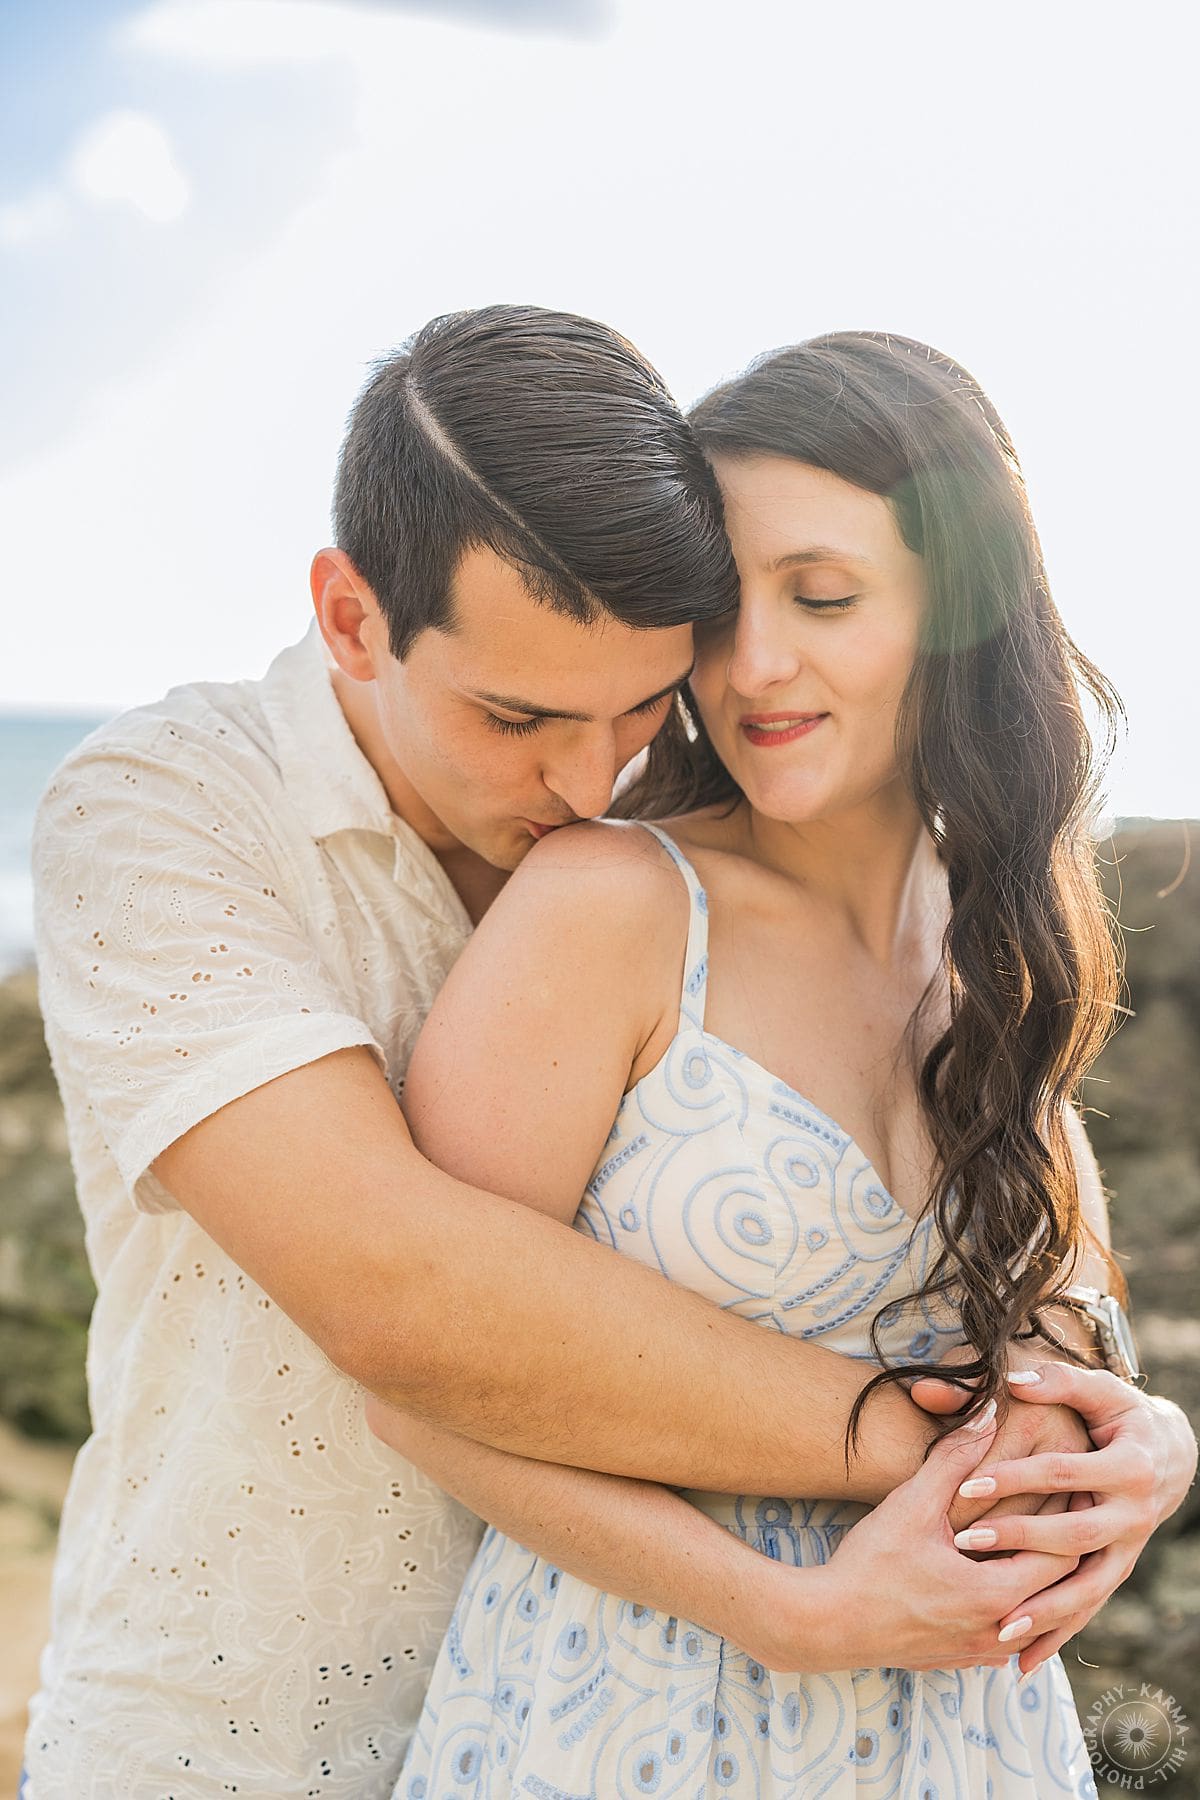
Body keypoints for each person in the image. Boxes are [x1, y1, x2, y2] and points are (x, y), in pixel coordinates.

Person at [25, 309, 1193, 1799]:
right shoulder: (169, 811)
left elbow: (1059, 1277)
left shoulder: (962, 930)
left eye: (641, 699)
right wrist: (942, 1454)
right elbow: (405, 1304)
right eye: (519, 717)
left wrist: (1136, 1434)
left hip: (897, 1724)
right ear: (351, 620)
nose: (594, 781)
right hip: (256, 1728)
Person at [366, 332, 1198, 1797]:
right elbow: (423, 1381)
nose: (751, 665)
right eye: (719, 609)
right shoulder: (609, 907)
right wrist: (784, 1613)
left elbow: (1072, 1307)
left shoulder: (1001, 942)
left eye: (822, 596)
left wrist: (1151, 1446)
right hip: (629, 1715)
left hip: (964, 1736)